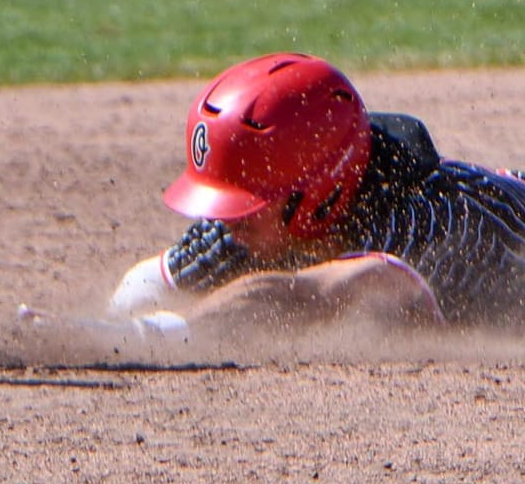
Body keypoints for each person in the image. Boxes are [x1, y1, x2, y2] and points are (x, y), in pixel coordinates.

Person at [94, 52, 525, 344]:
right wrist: (101, 327)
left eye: (247, 206)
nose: (227, 223)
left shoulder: (422, 226)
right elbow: (152, 280)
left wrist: (144, 337)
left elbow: (295, 296)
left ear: (319, 195)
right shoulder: (263, 219)